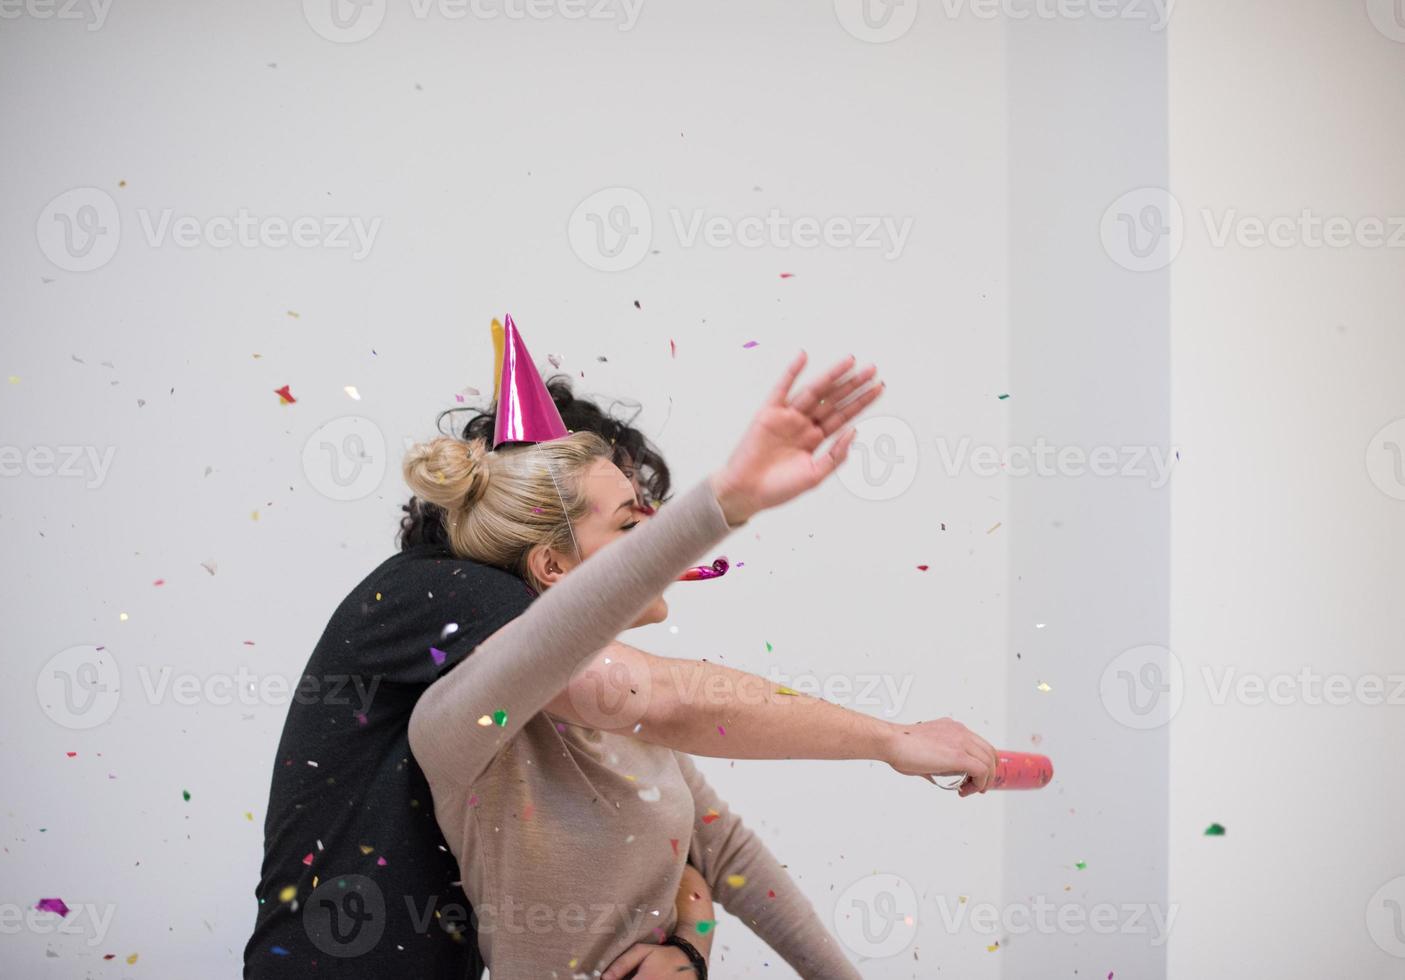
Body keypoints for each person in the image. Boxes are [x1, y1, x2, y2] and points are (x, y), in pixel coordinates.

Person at [244, 325, 997, 978]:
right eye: (635, 523)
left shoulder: (590, 710)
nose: (660, 547)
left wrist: (692, 943)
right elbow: (649, 692)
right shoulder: (450, 636)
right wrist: (725, 502)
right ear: (549, 563)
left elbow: (723, 849)